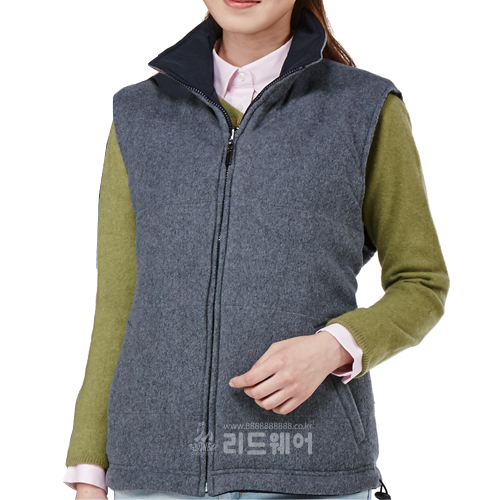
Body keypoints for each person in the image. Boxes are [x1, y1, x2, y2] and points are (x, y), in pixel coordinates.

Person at [63, 0, 450, 499]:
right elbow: (118, 302)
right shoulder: (139, 114)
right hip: (155, 476)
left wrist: (332, 347)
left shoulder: (363, 108)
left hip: (307, 471)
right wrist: (89, 468)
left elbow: (422, 282)